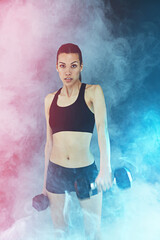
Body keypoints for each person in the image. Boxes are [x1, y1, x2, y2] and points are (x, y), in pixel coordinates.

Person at [42, 43, 112, 240]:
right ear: (56, 67)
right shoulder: (49, 99)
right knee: (60, 232)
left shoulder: (93, 92)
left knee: (92, 232)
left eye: (73, 65)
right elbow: (49, 143)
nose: (67, 71)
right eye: (62, 65)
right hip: (56, 171)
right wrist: (44, 182)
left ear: (81, 66)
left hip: (84, 171)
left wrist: (105, 168)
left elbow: (102, 129)